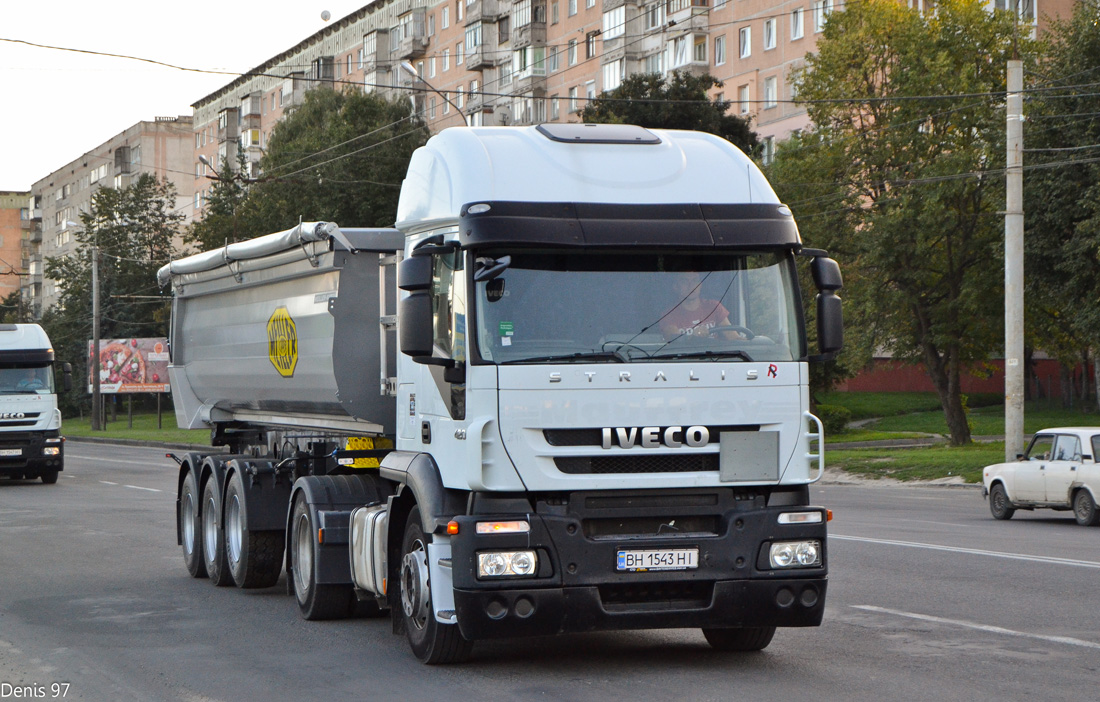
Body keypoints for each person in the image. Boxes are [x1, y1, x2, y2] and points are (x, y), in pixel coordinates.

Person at [660, 272, 745, 341]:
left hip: (716, 358)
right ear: (676, 287)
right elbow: (674, 342)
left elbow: (733, 338)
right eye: (684, 281)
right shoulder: (669, 314)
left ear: (700, 285)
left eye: (694, 281)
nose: (691, 286)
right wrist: (693, 337)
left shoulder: (714, 307)